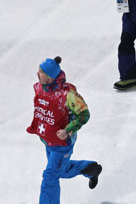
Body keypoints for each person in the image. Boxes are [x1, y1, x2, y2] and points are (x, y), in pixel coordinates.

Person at [27, 57, 102, 204]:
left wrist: (68, 130)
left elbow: (84, 114)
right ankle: (90, 169)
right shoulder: (38, 88)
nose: (37, 74)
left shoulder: (68, 95)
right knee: (61, 171)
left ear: (50, 76)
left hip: (62, 143)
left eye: (41, 72)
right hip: (48, 141)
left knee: (50, 177)